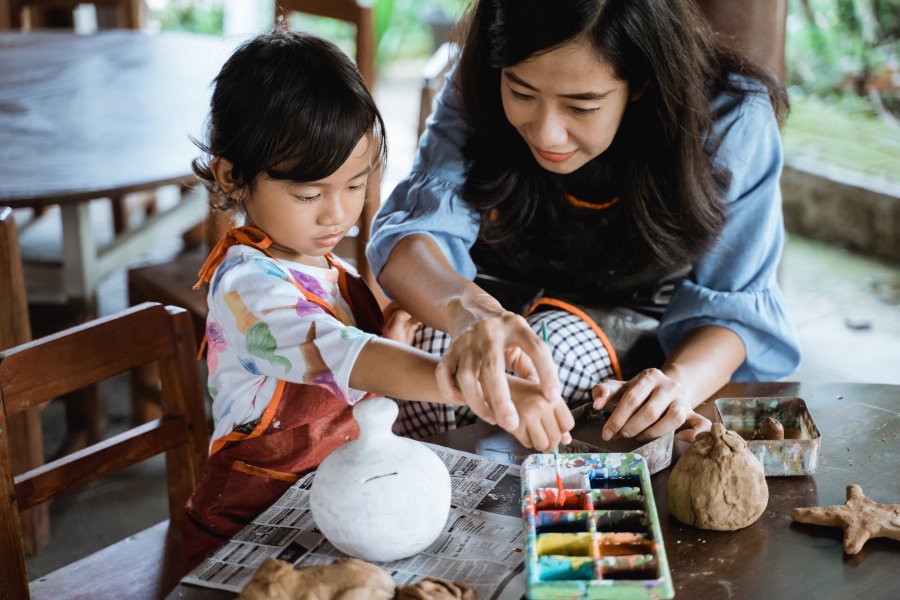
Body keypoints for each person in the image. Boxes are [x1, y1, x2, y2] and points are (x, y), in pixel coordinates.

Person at [181, 29, 574, 568]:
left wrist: (389, 333)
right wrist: (477, 386)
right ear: (233, 175)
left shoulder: (325, 265)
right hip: (252, 524)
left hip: (332, 507)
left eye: (354, 184)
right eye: (308, 194)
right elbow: (340, 354)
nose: (336, 215)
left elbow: (341, 364)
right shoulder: (248, 288)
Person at [368, 0, 801, 443]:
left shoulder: (730, 119)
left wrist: (676, 385)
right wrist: (467, 312)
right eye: (521, 93)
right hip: (488, 294)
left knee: (554, 369)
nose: (546, 133)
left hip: (634, 327)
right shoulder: (478, 78)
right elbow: (417, 232)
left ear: (640, 81)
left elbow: (736, 307)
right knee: (430, 363)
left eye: (582, 107)